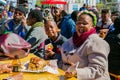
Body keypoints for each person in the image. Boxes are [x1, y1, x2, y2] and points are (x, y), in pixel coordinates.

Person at [61, 10, 110, 80]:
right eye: (78, 23)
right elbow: (63, 62)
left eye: (85, 23)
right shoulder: (70, 41)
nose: (81, 25)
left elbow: (98, 69)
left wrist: (77, 72)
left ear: (92, 26)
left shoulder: (97, 43)